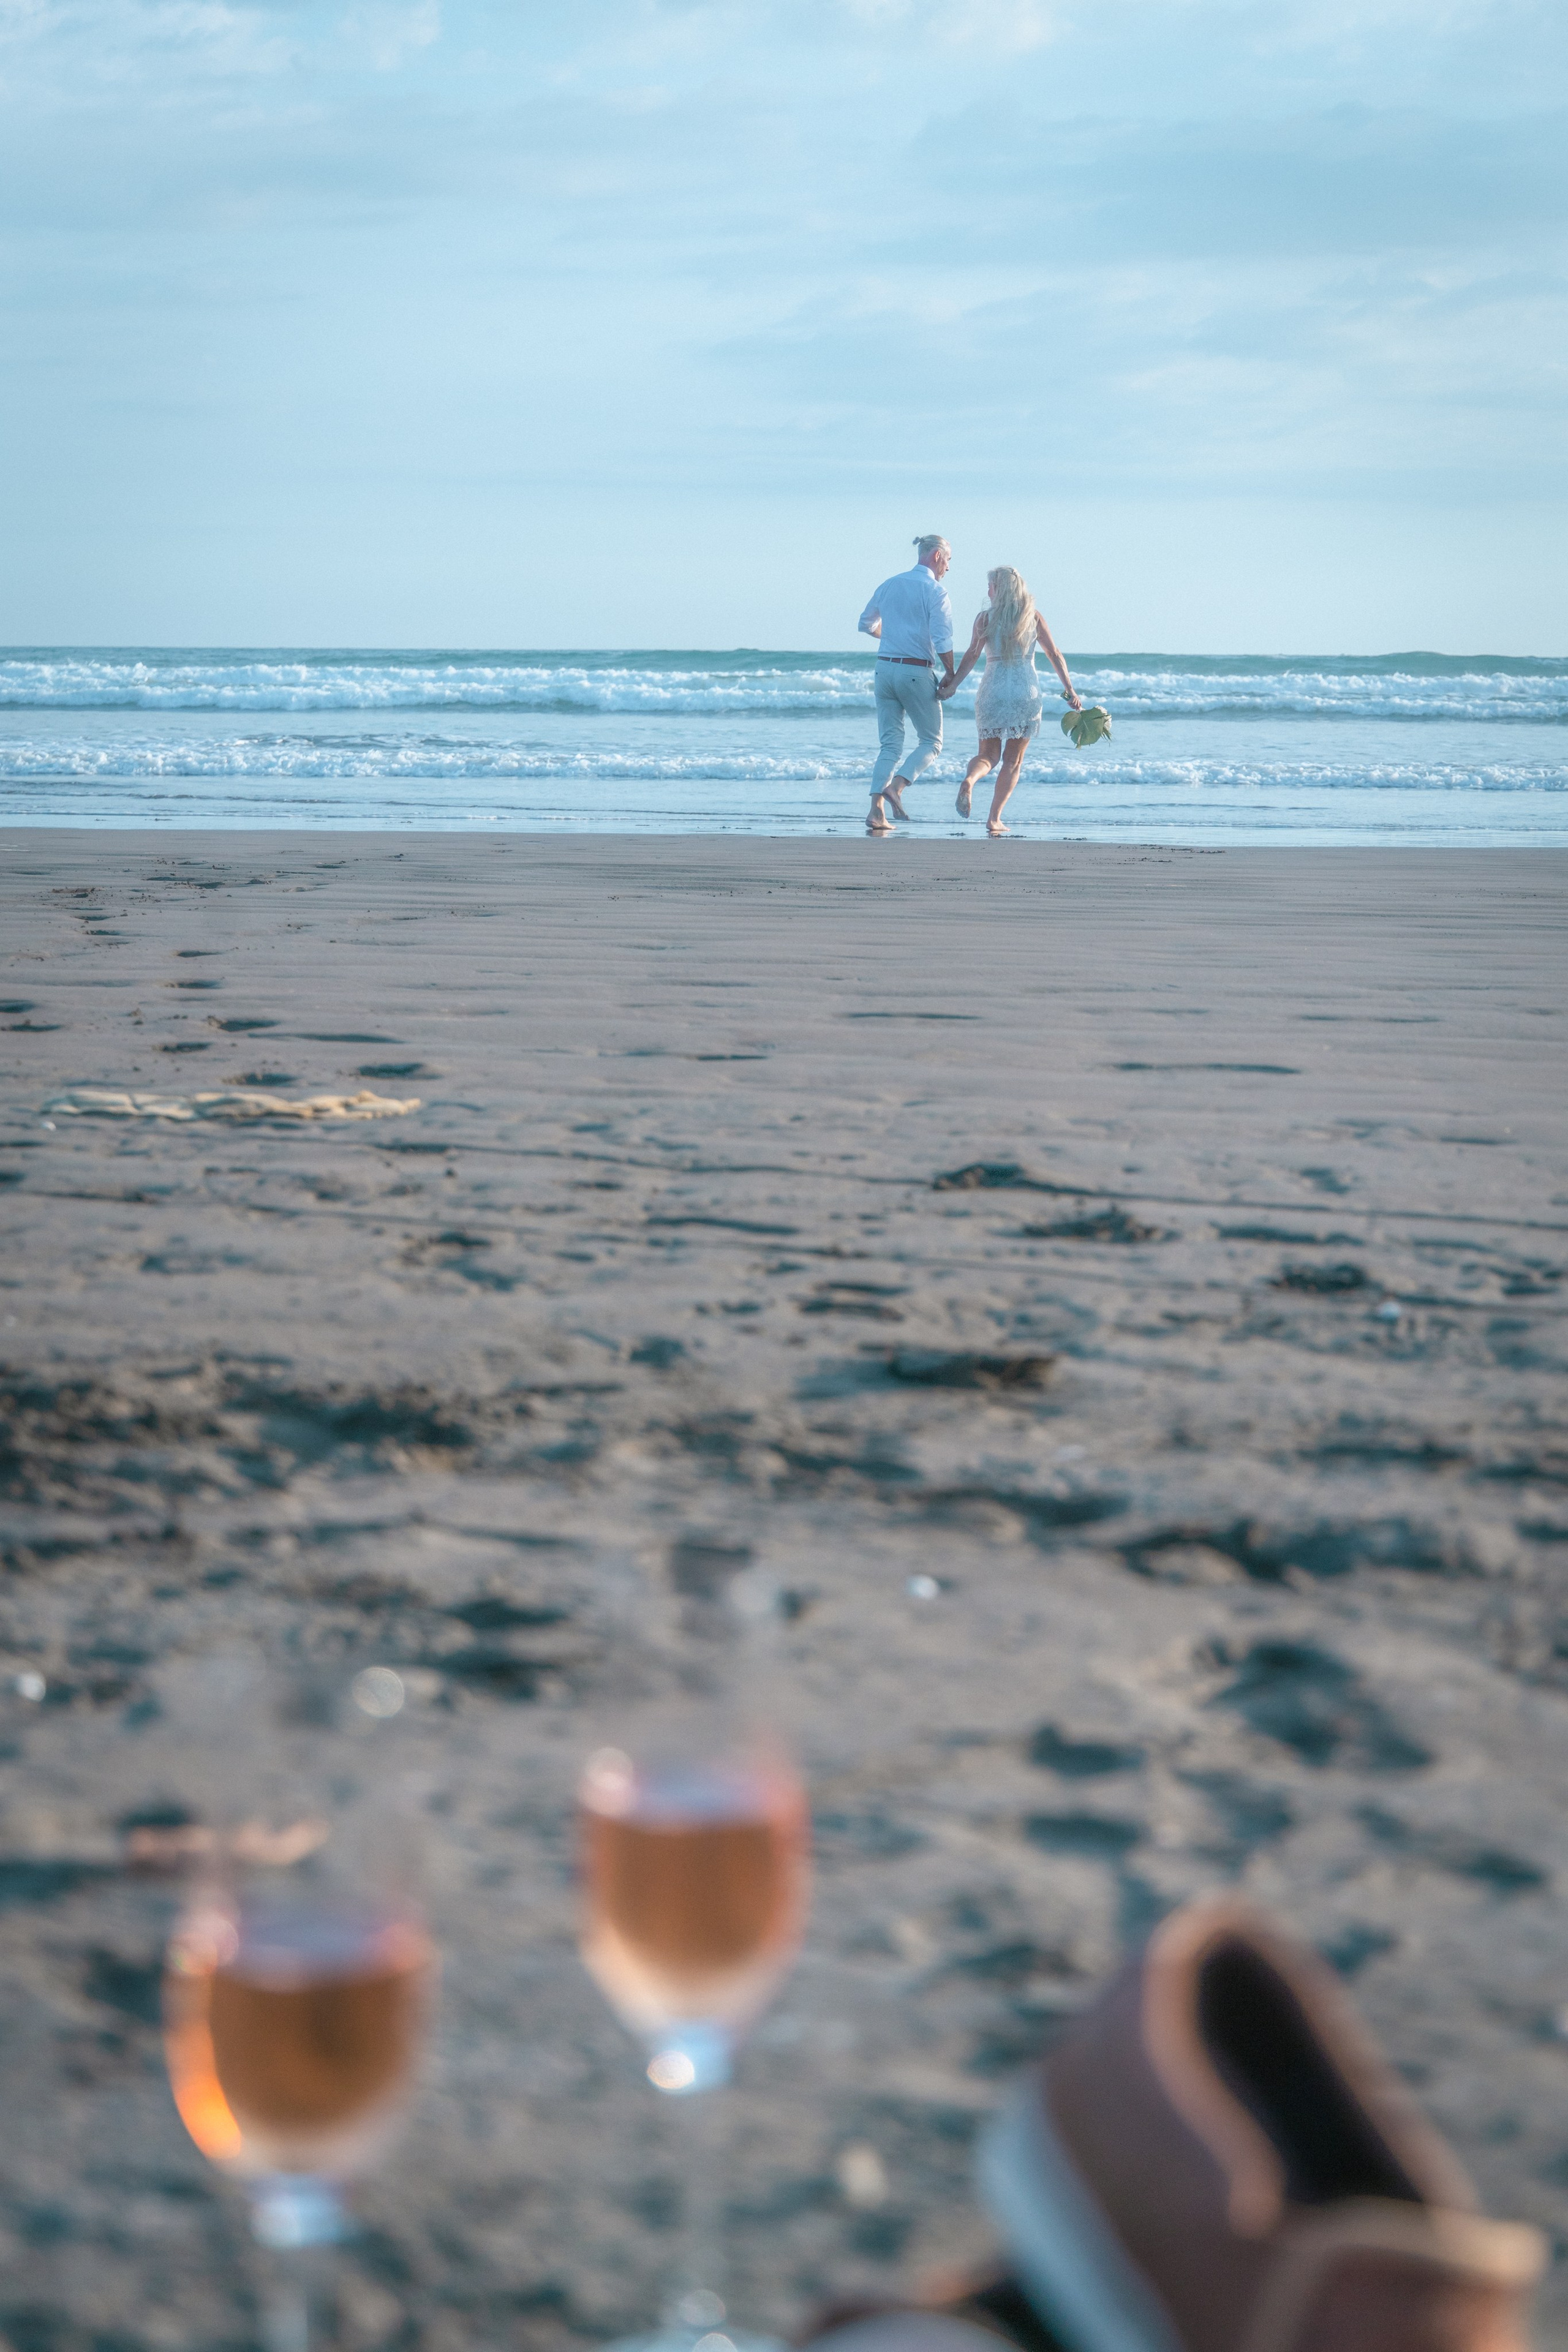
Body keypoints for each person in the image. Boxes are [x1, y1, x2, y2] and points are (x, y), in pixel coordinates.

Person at [948, 567, 1082, 836]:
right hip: (1025, 691)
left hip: (993, 690)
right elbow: (1054, 654)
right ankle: (994, 819)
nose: (987, 591)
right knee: (1013, 761)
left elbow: (972, 656)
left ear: (999, 590)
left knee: (988, 755)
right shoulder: (1033, 617)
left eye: (990, 586)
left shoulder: (984, 619)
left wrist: (952, 684)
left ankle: (970, 780)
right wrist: (1070, 690)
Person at [858, 536, 957, 834]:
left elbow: (865, 624)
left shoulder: (889, 584)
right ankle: (897, 787)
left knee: (890, 744)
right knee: (931, 742)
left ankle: (877, 812)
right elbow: (943, 639)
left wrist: (893, 639)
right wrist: (951, 673)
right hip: (915, 671)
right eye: (949, 560)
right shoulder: (935, 591)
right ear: (938, 556)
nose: (949, 568)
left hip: (884, 669)